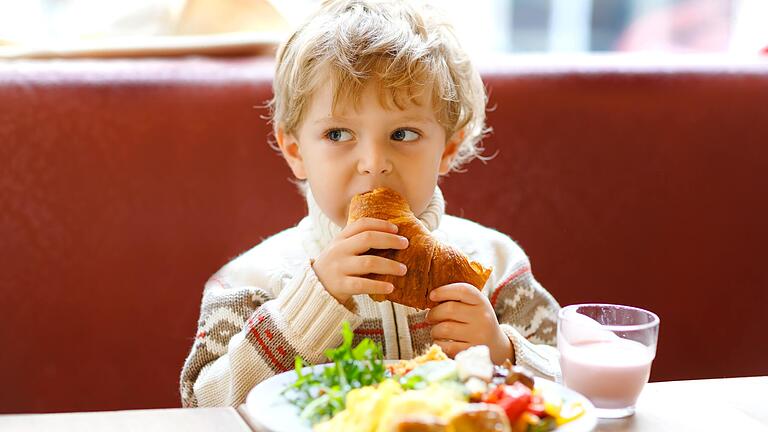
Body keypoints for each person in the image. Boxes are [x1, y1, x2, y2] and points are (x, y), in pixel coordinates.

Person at [180, 0, 560, 408]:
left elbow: (577, 382)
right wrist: (308, 309)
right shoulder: (252, 282)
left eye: (403, 134)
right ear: (295, 150)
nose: (374, 163)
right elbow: (204, 406)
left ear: (448, 148)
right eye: (339, 134)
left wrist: (504, 352)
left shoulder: (497, 266)